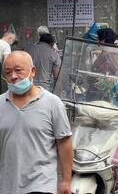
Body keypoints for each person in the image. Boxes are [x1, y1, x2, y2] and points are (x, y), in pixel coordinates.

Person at [0, 51, 73, 194]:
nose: (13, 76)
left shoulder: (52, 103)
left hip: (41, 184)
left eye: (18, 70)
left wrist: (66, 180)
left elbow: (64, 143)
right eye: (8, 72)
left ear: (32, 71)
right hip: (7, 185)